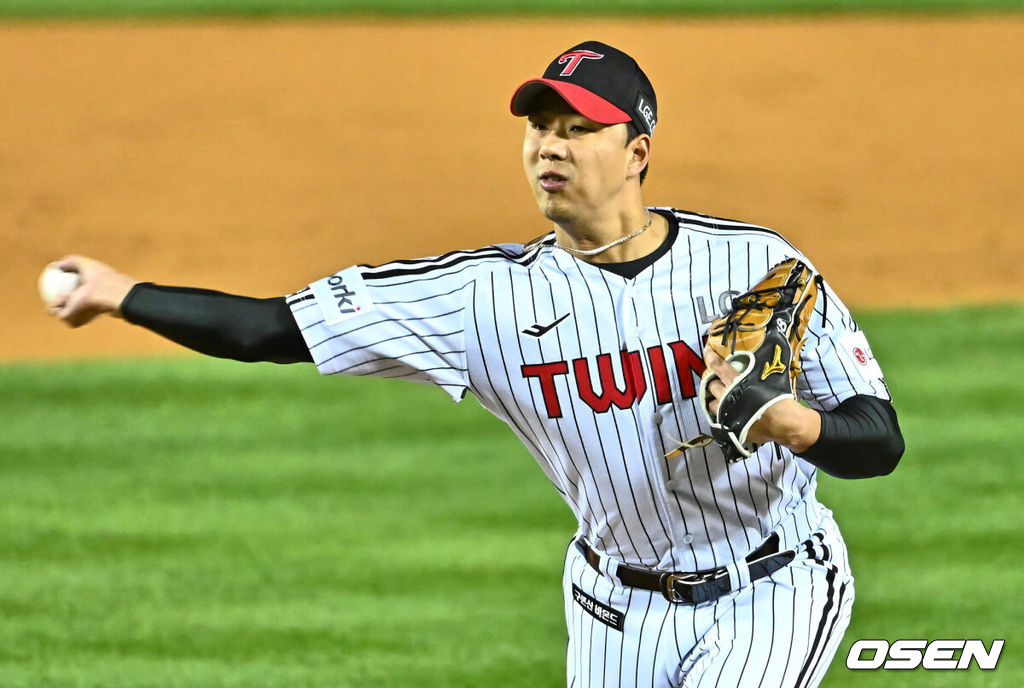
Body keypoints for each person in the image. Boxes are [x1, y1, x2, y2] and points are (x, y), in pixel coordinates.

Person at [49, 41, 903, 688]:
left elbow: (879, 438)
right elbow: (270, 329)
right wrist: (122, 293)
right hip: (614, 609)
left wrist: (793, 423)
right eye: (540, 128)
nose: (549, 148)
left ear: (637, 151)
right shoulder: (480, 299)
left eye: (578, 129)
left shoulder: (754, 265)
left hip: (773, 587)